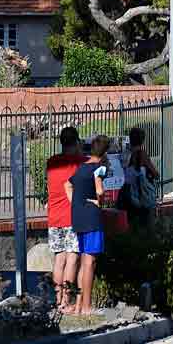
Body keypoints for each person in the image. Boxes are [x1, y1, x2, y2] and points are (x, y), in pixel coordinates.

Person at [65, 135, 110, 316]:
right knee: (90, 262)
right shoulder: (99, 168)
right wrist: (98, 201)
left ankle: (78, 305)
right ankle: (87, 306)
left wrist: (75, 203)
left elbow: (68, 184)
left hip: (78, 217)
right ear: (105, 153)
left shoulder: (82, 167)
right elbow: (100, 190)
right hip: (91, 217)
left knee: (83, 260)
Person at [46, 126, 86, 312]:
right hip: (72, 217)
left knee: (59, 259)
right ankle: (67, 301)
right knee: (72, 258)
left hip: (54, 217)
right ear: (77, 142)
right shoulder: (79, 162)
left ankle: (57, 299)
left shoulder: (52, 162)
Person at [119, 126, 160, 226]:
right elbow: (156, 175)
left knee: (133, 228)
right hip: (144, 199)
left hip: (129, 197)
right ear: (142, 140)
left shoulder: (124, 155)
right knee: (148, 229)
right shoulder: (142, 155)